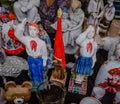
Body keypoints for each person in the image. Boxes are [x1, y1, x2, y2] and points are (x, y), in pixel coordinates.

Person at [15, 18, 48, 86]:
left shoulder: (42, 42)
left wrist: (44, 60)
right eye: (30, 29)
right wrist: (22, 24)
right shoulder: (26, 39)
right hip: (31, 58)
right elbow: (18, 35)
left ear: (38, 31)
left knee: (40, 71)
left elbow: (44, 53)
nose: (32, 32)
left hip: (39, 59)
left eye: (34, 30)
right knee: (33, 71)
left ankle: (41, 83)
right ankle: (35, 83)